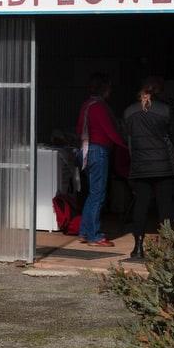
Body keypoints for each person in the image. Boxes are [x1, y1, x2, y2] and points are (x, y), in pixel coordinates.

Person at [123, 80, 174, 261]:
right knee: (165, 206)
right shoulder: (165, 111)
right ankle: (168, 248)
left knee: (141, 206)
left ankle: (138, 247)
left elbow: (129, 140)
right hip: (163, 166)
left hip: (140, 166)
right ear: (157, 93)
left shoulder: (129, 112)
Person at [75, 73, 124, 247]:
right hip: (98, 150)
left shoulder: (87, 105)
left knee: (92, 193)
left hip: (86, 150)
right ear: (105, 89)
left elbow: (79, 129)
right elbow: (110, 131)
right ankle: (94, 235)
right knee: (98, 194)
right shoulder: (100, 107)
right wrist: (124, 145)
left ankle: (85, 231)